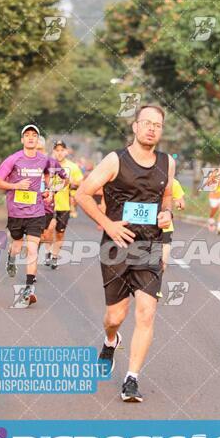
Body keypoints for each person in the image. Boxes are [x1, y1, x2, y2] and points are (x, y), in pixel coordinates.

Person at [76, 105, 175, 402]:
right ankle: (110, 339)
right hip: (116, 246)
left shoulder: (167, 162)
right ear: (134, 127)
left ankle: (131, 378)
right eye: (146, 123)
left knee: (146, 312)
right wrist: (108, 224)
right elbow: (82, 193)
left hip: (149, 246)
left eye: (157, 125)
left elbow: (166, 196)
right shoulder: (114, 160)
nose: (151, 129)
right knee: (115, 316)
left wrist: (166, 214)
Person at [0, 124, 50, 308]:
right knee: (17, 246)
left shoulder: (43, 160)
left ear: (38, 139)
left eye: (34, 135)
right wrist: (16, 186)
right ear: (22, 140)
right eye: (27, 135)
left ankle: (29, 288)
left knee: (33, 249)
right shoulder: (13, 159)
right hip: (16, 212)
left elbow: (48, 177)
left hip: (36, 212)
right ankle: (11, 259)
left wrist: (47, 190)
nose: (31, 138)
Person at [49, 140, 84, 269]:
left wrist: (72, 184)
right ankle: (48, 250)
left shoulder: (73, 167)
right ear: (53, 152)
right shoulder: (48, 165)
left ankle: (54, 256)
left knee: (59, 232)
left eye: (62, 150)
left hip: (64, 206)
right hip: (48, 204)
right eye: (57, 150)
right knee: (48, 230)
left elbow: (81, 182)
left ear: (66, 151)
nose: (59, 153)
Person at [36, 136, 67, 267]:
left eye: (39, 149)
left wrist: (53, 191)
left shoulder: (53, 163)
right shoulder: (24, 162)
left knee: (51, 233)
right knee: (37, 235)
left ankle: (52, 255)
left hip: (55, 206)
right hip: (32, 205)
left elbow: (66, 179)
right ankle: (34, 263)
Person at [162, 178, 186, 271]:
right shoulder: (173, 182)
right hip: (165, 225)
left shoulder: (144, 177)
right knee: (163, 263)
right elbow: (181, 204)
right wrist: (179, 204)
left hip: (146, 224)